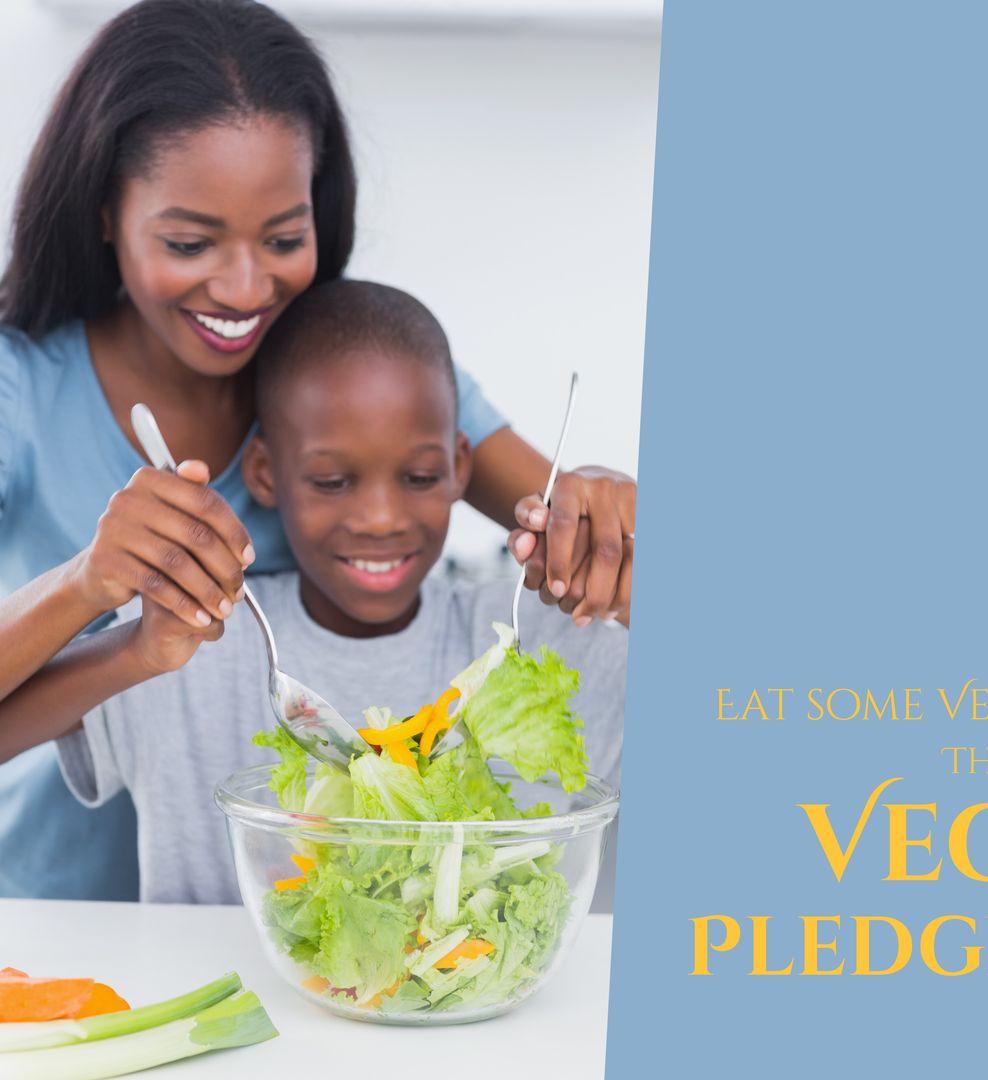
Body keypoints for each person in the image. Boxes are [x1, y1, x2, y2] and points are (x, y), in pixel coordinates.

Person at [0, 0, 635, 900]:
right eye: (189, 242)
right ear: (106, 211)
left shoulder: (351, 372)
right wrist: (87, 590)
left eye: (285, 238)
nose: (244, 286)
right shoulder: (21, 392)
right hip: (52, 911)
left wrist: (602, 507)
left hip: (274, 914)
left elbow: (596, 546)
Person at [0, 279, 628, 907]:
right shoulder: (194, 644)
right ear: (266, 475)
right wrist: (128, 640)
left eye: (419, 476)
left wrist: (632, 558)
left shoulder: (533, 636)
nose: (380, 517)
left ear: (460, 467)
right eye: (331, 480)